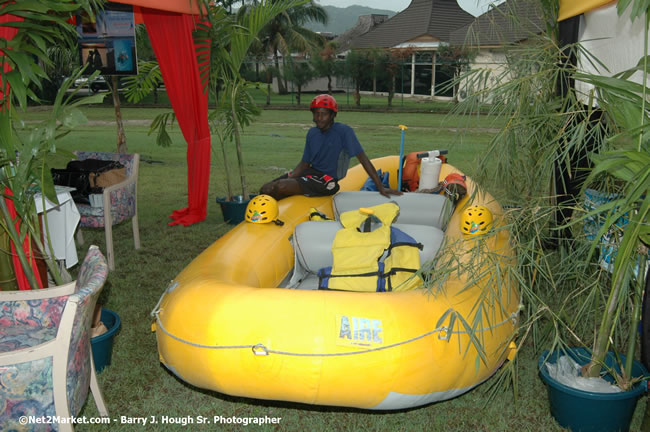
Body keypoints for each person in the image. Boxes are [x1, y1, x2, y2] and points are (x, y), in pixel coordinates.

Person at [260, 94, 402, 200]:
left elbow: (363, 159)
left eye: (324, 114)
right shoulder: (312, 133)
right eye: (316, 114)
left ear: (333, 115)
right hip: (310, 174)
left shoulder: (344, 132)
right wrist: (286, 178)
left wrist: (379, 186)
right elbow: (304, 163)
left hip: (326, 181)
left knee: (281, 187)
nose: (319, 118)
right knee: (266, 188)